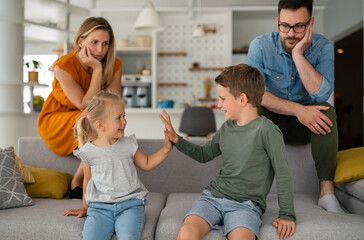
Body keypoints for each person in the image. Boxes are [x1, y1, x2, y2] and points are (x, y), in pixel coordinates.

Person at [160, 64, 296, 240]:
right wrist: (177, 140)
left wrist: (287, 214)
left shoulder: (267, 130)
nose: (219, 104)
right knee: (187, 233)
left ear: (242, 99)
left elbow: (283, 174)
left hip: (246, 206)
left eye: (223, 99)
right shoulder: (226, 128)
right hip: (212, 198)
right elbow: (204, 155)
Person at [246, 0, 344, 213]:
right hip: (274, 122)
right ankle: (253, 193)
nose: (290, 33)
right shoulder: (260, 45)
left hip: (306, 128)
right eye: (285, 26)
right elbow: (257, 94)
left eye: (299, 26)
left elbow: (321, 93)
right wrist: (299, 110)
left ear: (310, 24)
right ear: (277, 22)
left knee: (326, 110)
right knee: (254, 109)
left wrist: (298, 54)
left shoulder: (323, 46)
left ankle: (327, 194)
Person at [63, 91, 172, 240]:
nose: (124, 121)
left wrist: (166, 148)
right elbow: (87, 181)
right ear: (100, 125)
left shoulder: (128, 144)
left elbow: (146, 163)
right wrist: (84, 207)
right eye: (118, 118)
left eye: (124, 116)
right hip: (99, 209)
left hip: (130, 207)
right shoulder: (88, 151)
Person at [37, 17, 122, 198]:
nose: (100, 49)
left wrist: (85, 115)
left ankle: (76, 179)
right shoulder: (63, 65)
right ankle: (87, 189)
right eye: (94, 42)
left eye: (105, 43)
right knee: (94, 121)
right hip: (57, 118)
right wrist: (97, 69)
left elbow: (114, 104)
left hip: (88, 115)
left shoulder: (115, 64)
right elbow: (84, 103)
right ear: (80, 41)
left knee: (109, 120)